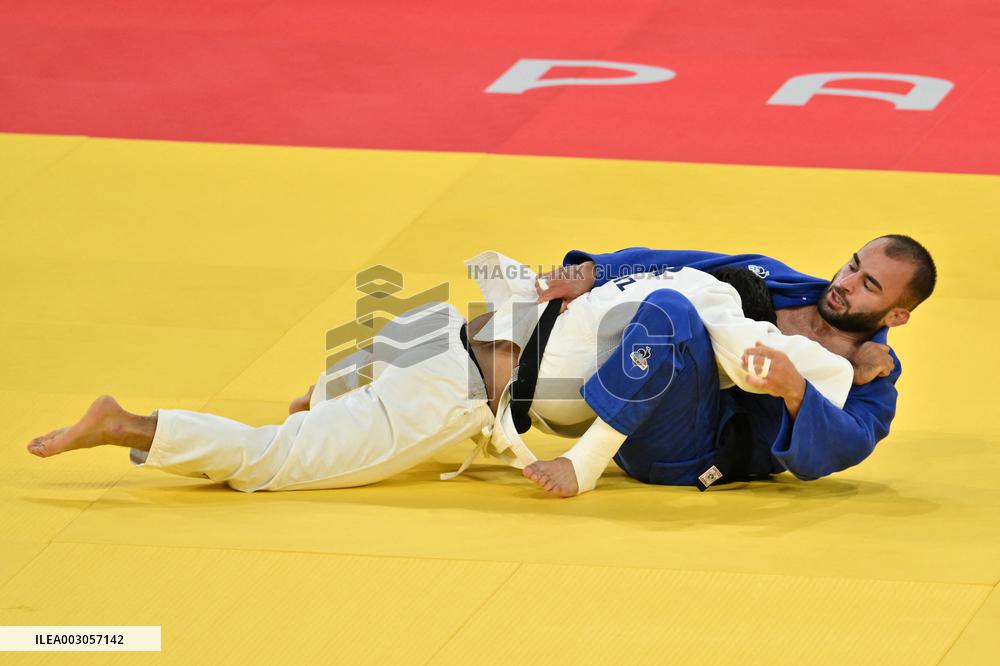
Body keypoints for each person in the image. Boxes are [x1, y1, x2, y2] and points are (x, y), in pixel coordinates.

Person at [24, 251, 852, 494]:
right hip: (456, 391)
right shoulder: (714, 308)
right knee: (273, 462)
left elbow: (560, 275)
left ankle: (334, 388)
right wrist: (835, 362)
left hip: (441, 324)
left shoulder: (654, 278)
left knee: (313, 419)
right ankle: (128, 424)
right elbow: (782, 367)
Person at [523, 234, 935, 496]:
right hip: (634, 399)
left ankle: (585, 461)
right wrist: (595, 270)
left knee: (672, 310)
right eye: (853, 265)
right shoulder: (778, 280)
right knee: (673, 297)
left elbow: (847, 447)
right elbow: (673, 260)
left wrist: (796, 391)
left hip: (688, 455)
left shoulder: (874, 375)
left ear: (896, 316)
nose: (845, 283)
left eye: (869, 285)